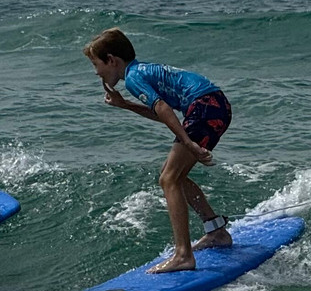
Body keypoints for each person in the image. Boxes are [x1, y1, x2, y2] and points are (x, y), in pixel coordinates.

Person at [84, 28, 232, 273]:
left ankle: (183, 255)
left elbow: (163, 108)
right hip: (213, 105)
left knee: (168, 179)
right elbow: (161, 113)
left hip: (205, 107)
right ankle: (216, 231)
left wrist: (188, 142)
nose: (96, 72)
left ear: (111, 60)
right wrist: (126, 105)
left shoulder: (132, 77)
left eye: (96, 64)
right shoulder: (140, 71)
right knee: (173, 175)